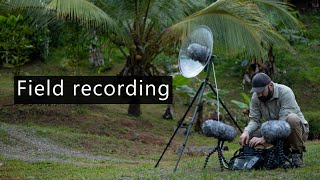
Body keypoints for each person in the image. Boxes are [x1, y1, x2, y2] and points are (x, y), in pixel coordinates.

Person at [239, 73, 309, 167]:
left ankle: (297, 154)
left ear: (270, 85)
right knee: (250, 135)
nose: (259, 95)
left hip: (296, 131)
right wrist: (246, 132)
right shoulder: (256, 97)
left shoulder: (285, 92)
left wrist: (265, 138)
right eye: (257, 92)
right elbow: (255, 120)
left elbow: (282, 122)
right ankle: (259, 157)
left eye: (262, 91)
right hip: (275, 133)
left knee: (291, 118)